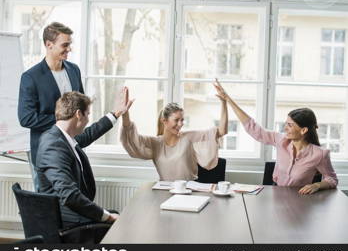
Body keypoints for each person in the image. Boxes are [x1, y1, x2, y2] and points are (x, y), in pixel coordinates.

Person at [214, 80, 338, 194]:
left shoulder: (320, 154)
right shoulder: (281, 140)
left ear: (303, 130)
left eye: (290, 125)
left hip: (300, 201)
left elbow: (332, 179)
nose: (285, 128)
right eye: (286, 124)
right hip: (276, 195)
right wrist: (228, 99)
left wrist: (317, 185)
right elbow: (253, 128)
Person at [36, 88, 133, 230]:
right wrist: (106, 216)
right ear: (78, 114)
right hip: (63, 219)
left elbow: (89, 134)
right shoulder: (54, 145)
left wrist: (116, 114)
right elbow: (68, 195)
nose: (88, 120)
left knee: (115, 216)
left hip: (70, 212)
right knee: (116, 222)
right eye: (87, 114)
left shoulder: (63, 138)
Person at [18, 22, 84, 191]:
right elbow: (26, 118)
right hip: (45, 151)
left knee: (73, 200)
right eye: (65, 45)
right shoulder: (31, 77)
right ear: (49, 45)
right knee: (47, 204)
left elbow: (81, 105)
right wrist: (61, 123)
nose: (69, 49)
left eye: (70, 44)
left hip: (73, 149)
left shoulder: (74, 70)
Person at [120, 81, 228, 181]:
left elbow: (222, 131)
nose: (180, 124)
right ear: (164, 121)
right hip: (165, 193)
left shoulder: (189, 138)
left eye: (182, 120)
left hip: (189, 192)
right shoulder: (155, 143)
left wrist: (224, 102)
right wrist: (125, 114)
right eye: (176, 120)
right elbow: (132, 139)